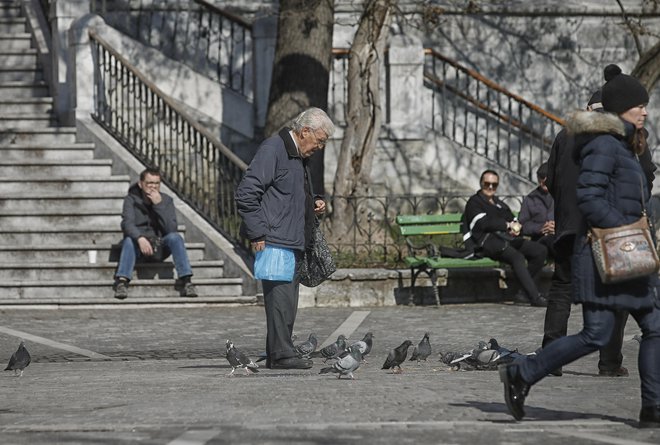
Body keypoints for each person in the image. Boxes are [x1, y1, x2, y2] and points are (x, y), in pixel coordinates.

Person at [499, 65, 660, 428]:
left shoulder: (625, 145)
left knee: (654, 326)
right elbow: (588, 196)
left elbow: (637, 192)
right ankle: (522, 372)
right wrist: (623, 230)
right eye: (640, 105)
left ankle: (652, 406)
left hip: (629, 251)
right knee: (597, 334)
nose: (645, 111)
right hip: (608, 254)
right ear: (621, 108)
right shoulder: (603, 145)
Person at [543, 88, 634, 378]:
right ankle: (608, 362)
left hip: (568, 227)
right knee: (612, 294)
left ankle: (551, 358)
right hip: (600, 228)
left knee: (561, 290)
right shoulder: (612, 139)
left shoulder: (563, 135)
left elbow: (553, 180)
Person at [235, 107, 335, 370]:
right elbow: (246, 193)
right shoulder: (274, 149)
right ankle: (281, 354)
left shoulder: (296, 155)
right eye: (320, 140)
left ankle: (280, 351)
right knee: (280, 300)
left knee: (287, 301)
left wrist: (313, 202)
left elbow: (288, 192)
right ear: (305, 132)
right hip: (275, 239)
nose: (320, 147)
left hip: (289, 238)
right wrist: (257, 232)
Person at [462, 170, 548, 307]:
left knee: (540, 250)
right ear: (481, 183)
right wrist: (506, 225)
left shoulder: (499, 204)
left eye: (494, 185)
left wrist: (517, 228)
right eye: (487, 184)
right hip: (486, 242)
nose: (491, 187)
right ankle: (535, 297)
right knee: (517, 257)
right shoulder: (474, 202)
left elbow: (513, 220)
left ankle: (523, 292)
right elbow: (483, 224)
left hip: (506, 239)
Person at [113, 167, 197, 299]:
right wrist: (140, 238)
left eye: (156, 183)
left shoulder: (166, 200)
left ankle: (187, 281)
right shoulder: (130, 200)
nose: (153, 187)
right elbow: (127, 224)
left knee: (176, 238)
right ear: (141, 184)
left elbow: (171, 229)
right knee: (129, 239)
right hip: (138, 247)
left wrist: (159, 206)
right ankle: (122, 282)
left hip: (159, 246)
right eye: (149, 183)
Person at [518, 162, 555, 257]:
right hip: (539, 240)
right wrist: (541, 227)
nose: (545, 180)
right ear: (538, 179)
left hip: (558, 237)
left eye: (548, 176)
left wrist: (557, 227)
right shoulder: (530, 199)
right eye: (542, 177)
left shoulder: (562, 197)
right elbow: (522, 225)